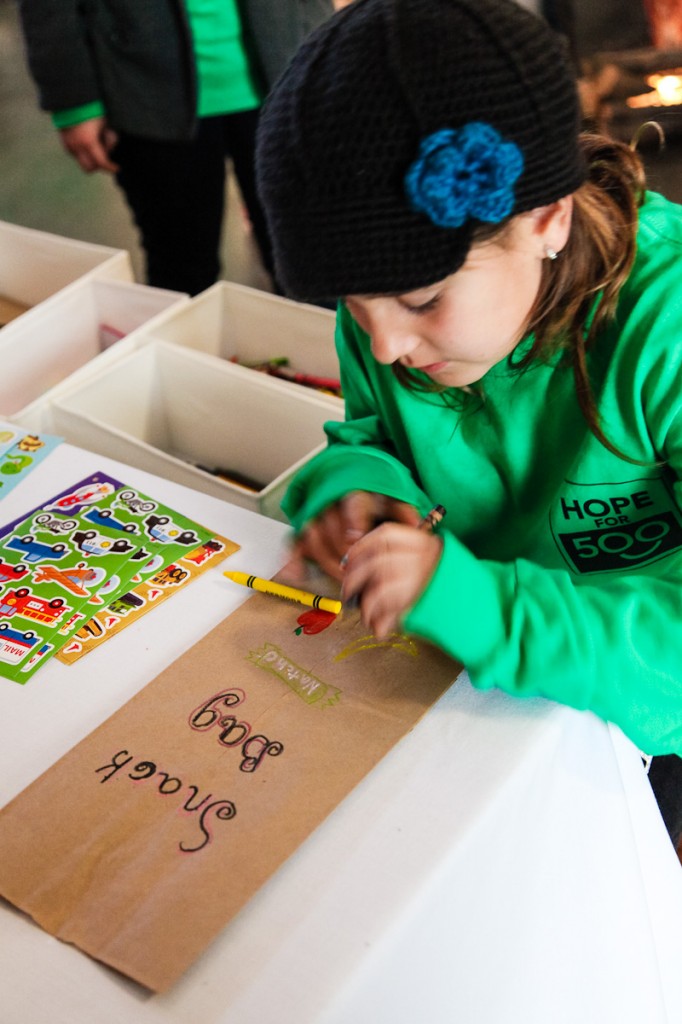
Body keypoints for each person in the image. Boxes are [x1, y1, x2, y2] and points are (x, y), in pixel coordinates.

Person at [255, 0, 682, 786]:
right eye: (351, 307)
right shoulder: (392, 317)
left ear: (547, 219)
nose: (382, 346)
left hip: (634, 709)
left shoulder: (668, 329)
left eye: (421, 302)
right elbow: (374, 435)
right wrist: (365, 491)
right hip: (477, 674)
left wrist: (485, 608)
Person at [16, 0, 335, 296]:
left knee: (311, 263)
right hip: (145, 91)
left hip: (287, 71)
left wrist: (337, 54)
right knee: (181, 271)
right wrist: (73, 99)